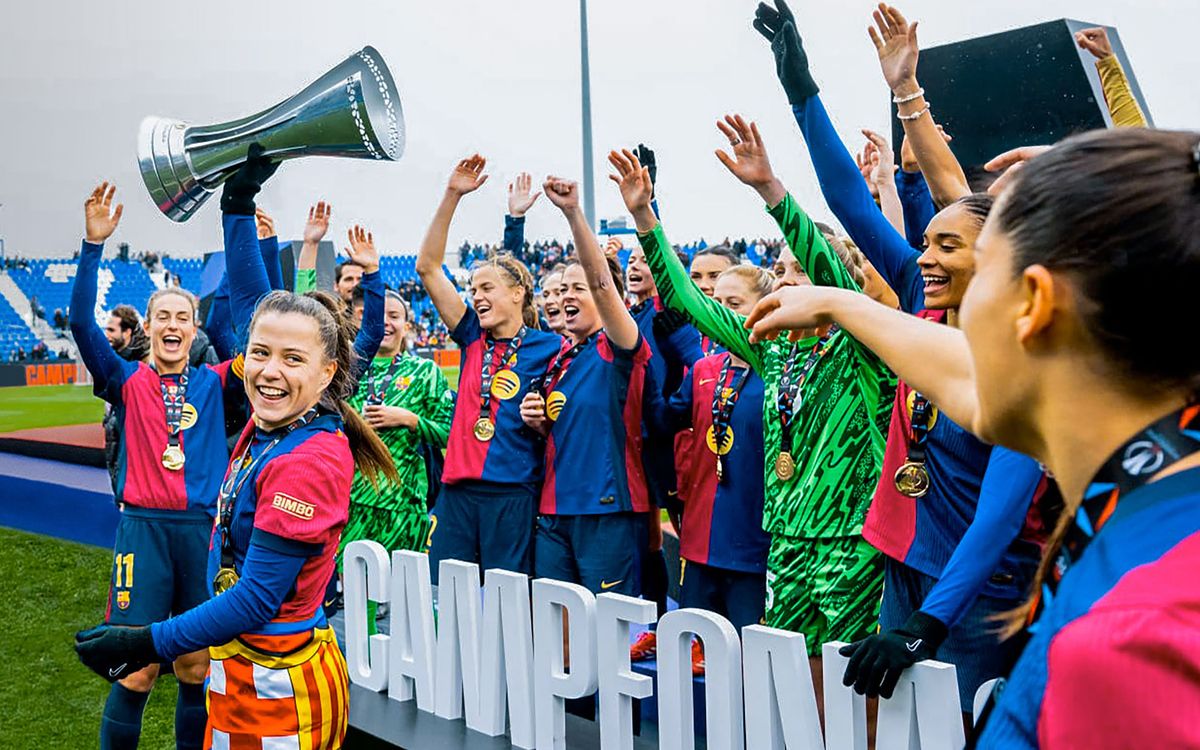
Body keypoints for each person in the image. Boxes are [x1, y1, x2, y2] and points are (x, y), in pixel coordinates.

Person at [744, 126, 1200, 749]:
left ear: (1033, 306)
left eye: (980, 268)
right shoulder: (1160, 499)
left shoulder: (1131, 639)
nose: (927, 284)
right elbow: (960, 375)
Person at [751, 0, 1048, 711]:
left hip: (980, 591)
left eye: (947, 245)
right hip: (903, 564)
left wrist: (923, 627)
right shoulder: (922, 297)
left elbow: (1001, 516)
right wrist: (800, 88)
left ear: (1000, 258)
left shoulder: (1028, 354)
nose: (924, 255)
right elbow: (848, 201)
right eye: (927, 243)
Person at [612, 116, 895, 704]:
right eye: (783, 271)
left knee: (853, 693)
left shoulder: (862, 344)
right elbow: (689, 300)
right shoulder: (771, 351)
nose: (787, 283)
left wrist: (771, 191)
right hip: (786, 538)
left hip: (849, 540)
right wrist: (645, 219)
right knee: (790, 684)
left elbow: (834, 279)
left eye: (798, 271)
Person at [77, 286, 398, 749]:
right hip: (248, 669)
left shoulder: (305, 460)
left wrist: (144, 643)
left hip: (280, 682)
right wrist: (238, 210)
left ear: (328, 373)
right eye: (260, 353)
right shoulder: (269, 426)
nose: (269, 371)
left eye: (293, 359)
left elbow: (256, 600)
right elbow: (256, 294)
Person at [69, 176, 265, 750]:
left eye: (184, 316)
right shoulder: (124, 380)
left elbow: (257, 337)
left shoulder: (217, 382)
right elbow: (82, 324)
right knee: (135, 667)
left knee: (195, 667)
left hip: (202, 534)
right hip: (143, 533)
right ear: (149, 328)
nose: (174, 325)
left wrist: (249, 243)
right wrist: (92, 244)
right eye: (164, 317)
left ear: (194, 328)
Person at [417, 155, 562, 577]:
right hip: (458, 490)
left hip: (514, 492)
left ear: (518, 293)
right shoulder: (470, 335)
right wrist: (452, 195)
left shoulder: (549, 346)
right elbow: (427, 267)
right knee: (446, 595)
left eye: (487, 288)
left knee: (508, 601)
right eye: (472, 288)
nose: (476, 296)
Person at [519, 175, 660, 598]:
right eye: (561, 289)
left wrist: (572, 213)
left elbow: (601, 283)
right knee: (556, 625)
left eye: (576, 288)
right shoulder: (560, 357)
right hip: (554, 510)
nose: (565, 297)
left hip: (607, 510)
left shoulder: (619, 345)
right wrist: (541, 425)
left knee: (604, 631)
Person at [657, 263, 774, 674]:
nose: (721, 311)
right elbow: (663, 419)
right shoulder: (706, 368)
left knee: (748, 665)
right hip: (702, 539)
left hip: (755, 542)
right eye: (714, 303)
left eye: (734, 303)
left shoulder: (778, 370)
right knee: (694, 663)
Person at [341, 289, 454, 633]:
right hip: (353, 503)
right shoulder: (349, 369)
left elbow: (450, 434)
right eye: (380, 315)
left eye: (395, 316)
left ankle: (423, 673)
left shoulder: (426, 372)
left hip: (404, 505)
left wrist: (409, 419)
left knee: (410, 602)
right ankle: (363, 673)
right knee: (357, 606)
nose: (387, 323)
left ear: (408, 325)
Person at [538, 264, 568, 335]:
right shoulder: (542, 343)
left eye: (558, 293)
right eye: (545, 296)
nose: (548, 301)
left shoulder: (596, 343)